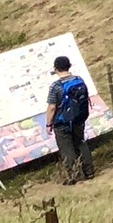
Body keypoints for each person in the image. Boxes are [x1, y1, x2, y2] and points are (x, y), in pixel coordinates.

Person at [45, 56, 95, 184]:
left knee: (67, 149)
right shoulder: (79, 80)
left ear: (56, 69)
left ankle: (74, 176)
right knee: (80, 143)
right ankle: (89, 171)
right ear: (69, 66)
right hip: (78, 118)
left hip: (62, 122)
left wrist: (49, 124)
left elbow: (52, 107)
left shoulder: (56, 86)